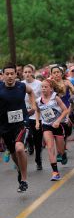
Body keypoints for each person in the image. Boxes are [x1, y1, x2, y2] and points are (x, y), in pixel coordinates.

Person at [0, 63, 36, 192]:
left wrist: (33, 106)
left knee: (20, 148)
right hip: (5, 126)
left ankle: (24, 180)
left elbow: (31, 92)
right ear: (3, 75)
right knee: (14, 154)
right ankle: (21, 171)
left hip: (22, 123)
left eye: (12, 74)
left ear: (16, 74)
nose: (9, 76)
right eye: (7, 74)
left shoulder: (21, 86)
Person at [35, 79, 69, 181]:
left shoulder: (56, 98)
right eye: (42, 87)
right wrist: (37, 122)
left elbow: (65, 110)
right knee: (50, 147)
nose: (43, 89)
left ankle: (63, 154)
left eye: (46, 87)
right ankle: (55, 172)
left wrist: (58, 121)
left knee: (60, 149)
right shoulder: (38, 100)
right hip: (46, 126)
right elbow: (37, 111)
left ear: (51, 89)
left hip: (57, 126)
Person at [22, 64, 43, 170]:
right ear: (22, 73)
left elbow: (43, 97)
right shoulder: (20, 84)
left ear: (33, 73)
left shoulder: (39, 84)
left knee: (38, 139)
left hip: (37, 114)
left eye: (29, 72)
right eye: (25, 72)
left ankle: (38, 159)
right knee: (26, 135)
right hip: (25, 114)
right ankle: (29, 144)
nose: (27, 74)